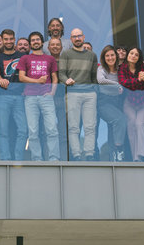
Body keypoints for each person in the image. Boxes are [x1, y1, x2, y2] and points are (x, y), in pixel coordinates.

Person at [18, 31, 59, 161]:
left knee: (52, 129)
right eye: (33, 40)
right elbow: (21, 77)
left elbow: (55, 78)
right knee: (33, 131)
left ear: (42, 42)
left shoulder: (50, 59)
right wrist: (37, 81)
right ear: (30, 44)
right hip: (30, 97)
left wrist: (52, 92)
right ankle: (37, 158)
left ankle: (54, 158)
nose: (35, 42)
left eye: (37, 40)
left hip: (46, 97)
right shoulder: (25, 58)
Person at [61, 28, 98, 161]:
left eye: (79, 36)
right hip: (73, 93)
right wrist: (66, 80)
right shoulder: (66, 54)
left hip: (89, 94)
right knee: (73, 126)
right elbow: (61, 73)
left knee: (90, 126)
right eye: (74, 36)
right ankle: (76, 154)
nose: (77, 38)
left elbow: (94, 76)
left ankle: (89, 154)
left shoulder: (92, 55)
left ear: (83, 37)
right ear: (71, 39)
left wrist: (94, 89)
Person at [0, 29, 27, 161]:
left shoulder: (22, 57)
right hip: (3, 96)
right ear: (2, 40)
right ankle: (5, 159)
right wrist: (0, 79)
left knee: (23, 130)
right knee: (3, 130)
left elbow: (26, 74)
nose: (8, 41)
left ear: (14, 39)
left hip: (20, 96)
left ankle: (18, 158)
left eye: (10, 39)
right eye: (5, 39)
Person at [119, 47, 144, 162]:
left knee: (140, 125)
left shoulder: (143, 67)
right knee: (131, 126)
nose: (133, 56)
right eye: (131, 53)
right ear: (128, 55)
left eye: (136, 55)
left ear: (139, 58)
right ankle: (136, 157)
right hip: (129, 102)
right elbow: (124, 83)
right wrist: (139, 81)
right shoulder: (123, 68)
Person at [96, 45, 128, 162]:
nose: (110, 58)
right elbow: (101, 80)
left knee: (113, 129)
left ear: (116, 56)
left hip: (118, 101)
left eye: (112, 55)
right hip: (104, 102)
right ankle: (119, 150)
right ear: (104, 58)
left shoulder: (121, 70)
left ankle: (113, 156)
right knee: (120, 120)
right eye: (107, 56)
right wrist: (117, 85)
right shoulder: (101, 69)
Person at [46, 36, 67, 159]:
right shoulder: (45, 61)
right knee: (48, 132)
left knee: (63, 133)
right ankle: (48, 159)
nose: (55, 47)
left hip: (64, 99)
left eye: (57, 45)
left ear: (62, 47)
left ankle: (64, 160)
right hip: (48, 99)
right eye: (52, 45)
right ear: (48, 47)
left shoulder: (67, 61)